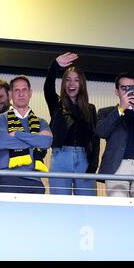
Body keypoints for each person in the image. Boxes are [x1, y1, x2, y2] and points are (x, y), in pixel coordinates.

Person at [43, 52, 99, 196]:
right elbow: (48, 88)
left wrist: (93, 165)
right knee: (61, 208)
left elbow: (95, 138)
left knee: (87, 207)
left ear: (81, 84)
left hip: (84, 160)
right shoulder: (57, 105)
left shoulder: (90, 108)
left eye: (76, 80)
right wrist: (54, 65)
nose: (71, 84)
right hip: (61, 158)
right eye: (68, 80)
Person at [96, 73, 134, 198]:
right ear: (117, 91)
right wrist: (120, 109)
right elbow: (101, 132)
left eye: (132, 88)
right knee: (118, 209)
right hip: (116, 167)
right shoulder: (106, 112)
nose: (128, 92)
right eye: (124, 88)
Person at [0, 75, 52, 194]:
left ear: (30, 93)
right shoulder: (0, 119)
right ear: (10, 94)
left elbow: (46, 142)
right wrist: (35, 138)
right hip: (8, 179)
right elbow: (3, 142)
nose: (21, 94)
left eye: (24, 90)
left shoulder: (41, 122)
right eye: (17, 90)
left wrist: (17, 134)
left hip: (35, 180)